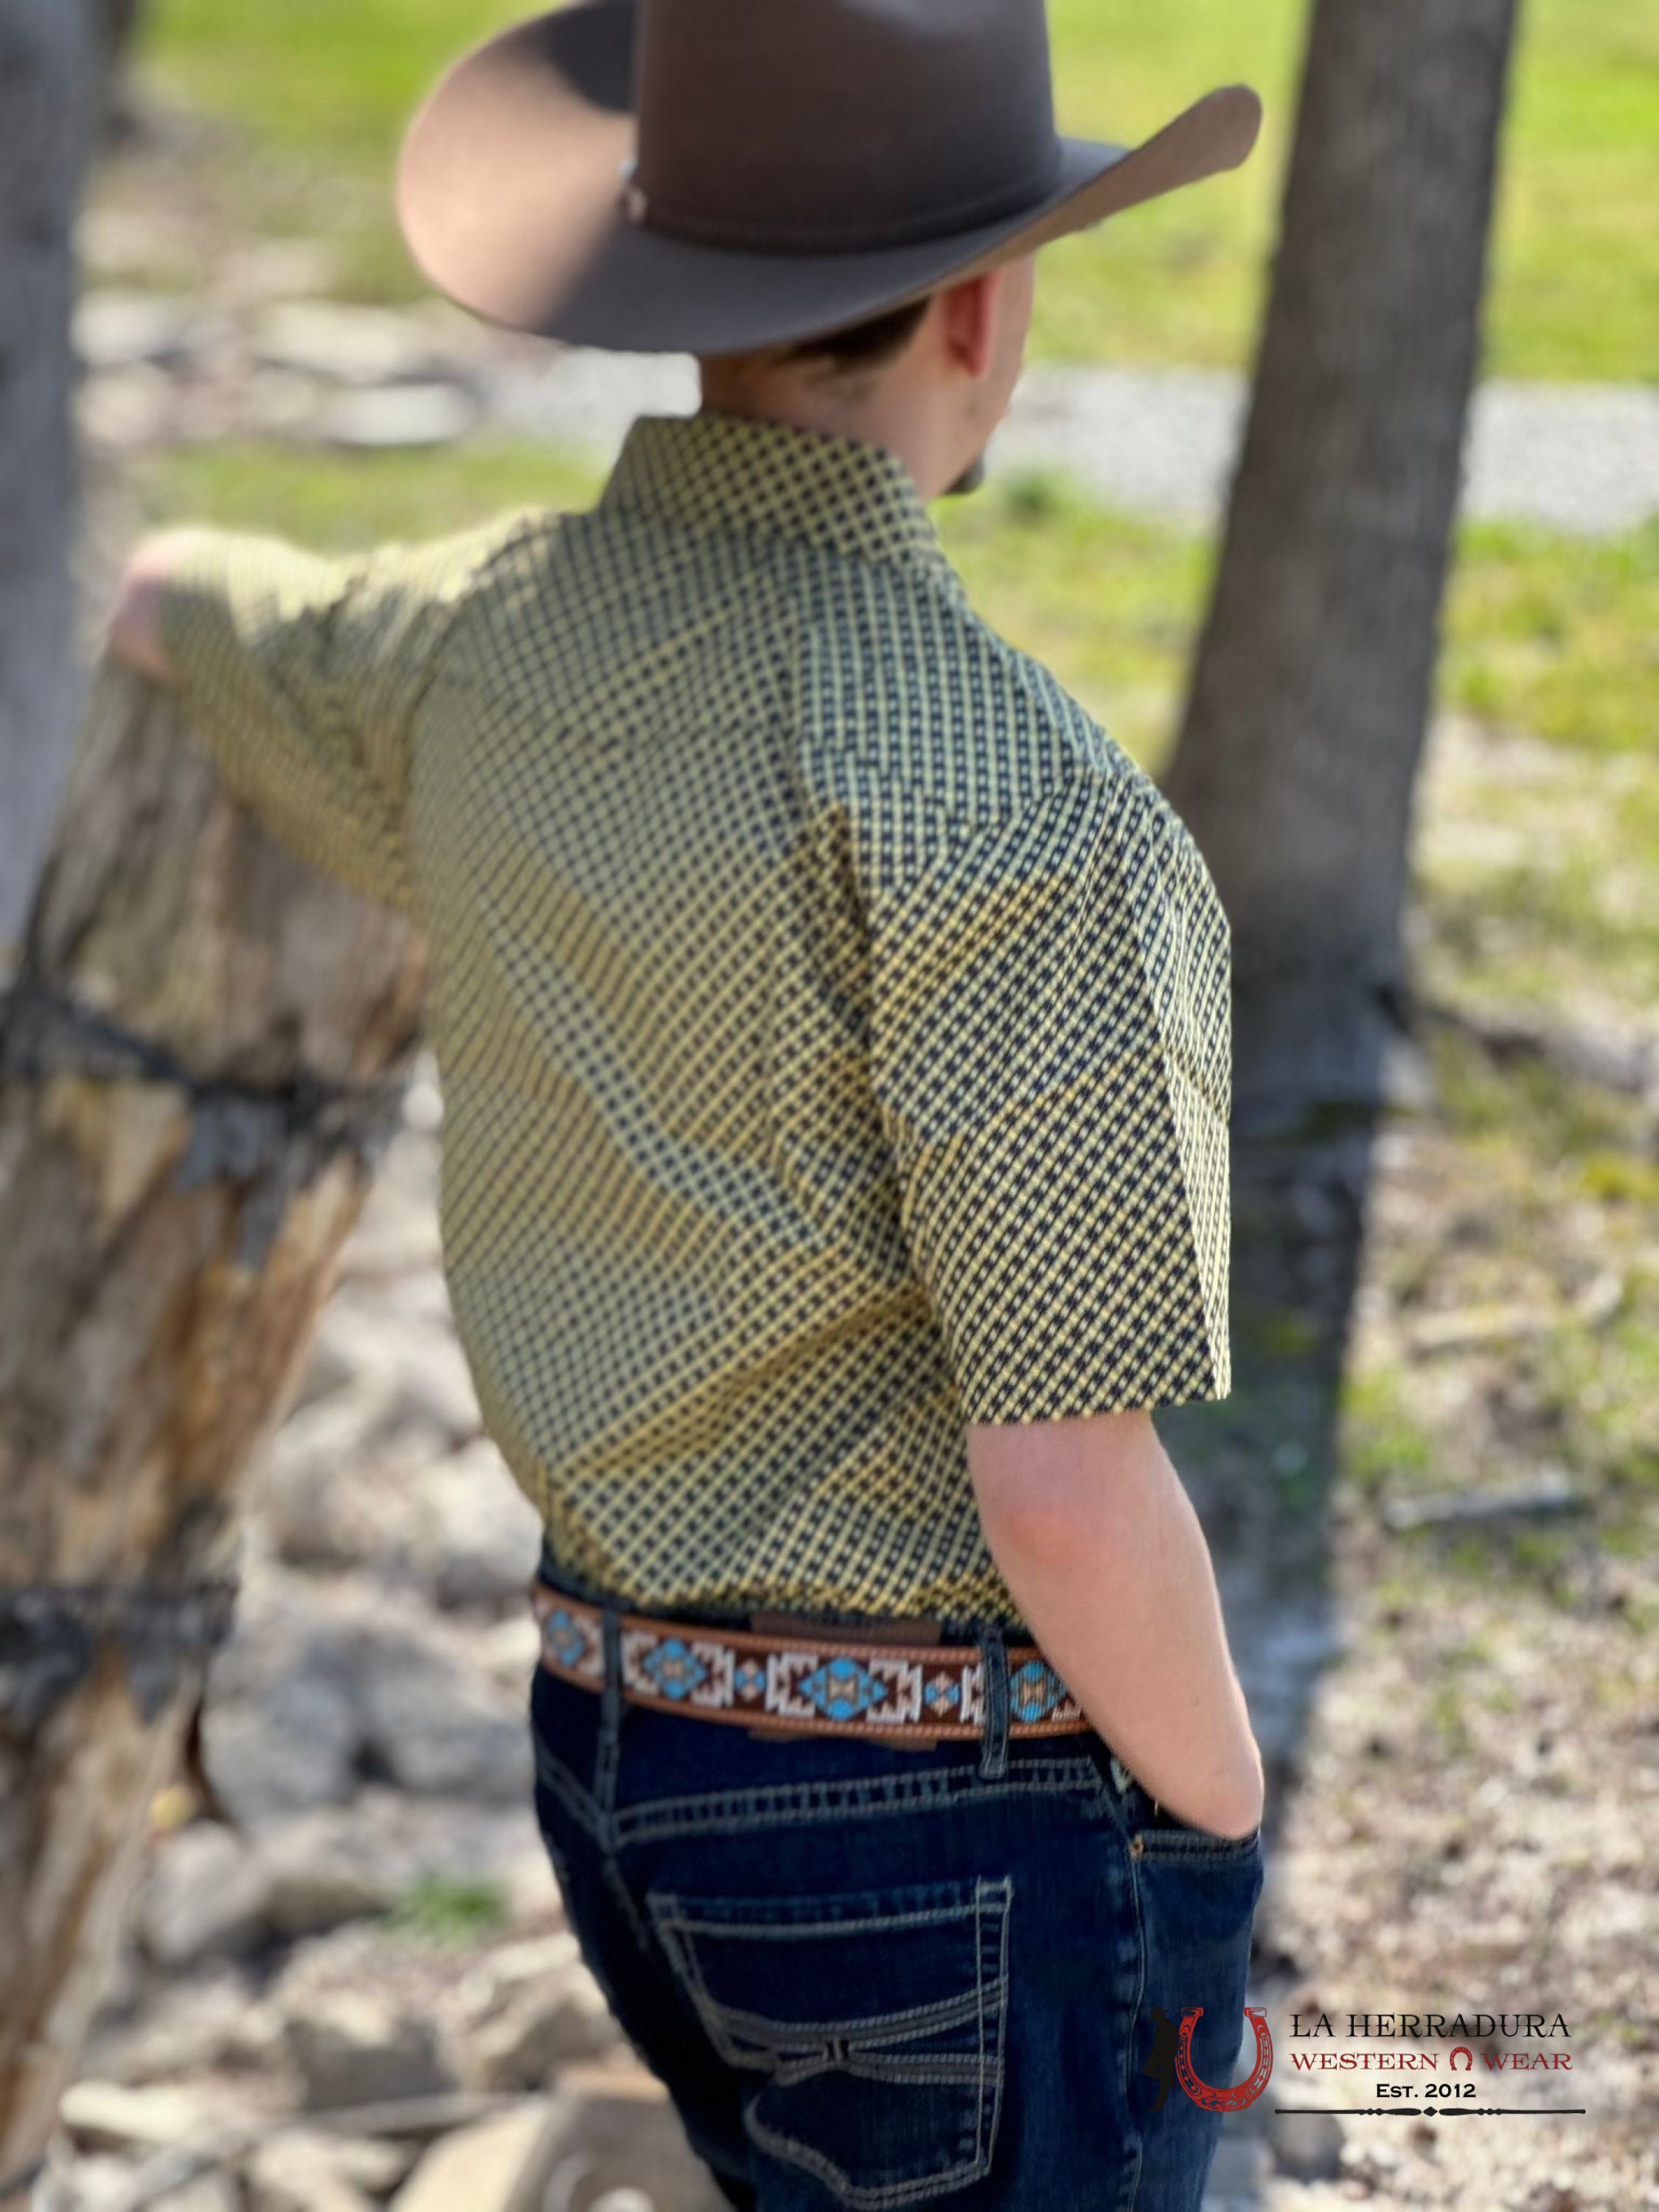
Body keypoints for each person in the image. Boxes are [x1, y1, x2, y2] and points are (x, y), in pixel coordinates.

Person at [110, 3, 1269, 2203]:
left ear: (683, 299)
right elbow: (1061, 1488)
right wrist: (1216, 1824)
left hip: (605, 1764)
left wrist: (163, 595)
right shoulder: (1016, 805)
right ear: (980, 302)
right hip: (942, 1820)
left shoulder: (473, 643)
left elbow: (185, 596)